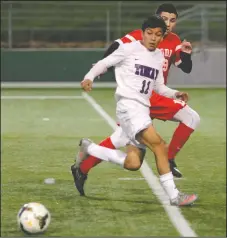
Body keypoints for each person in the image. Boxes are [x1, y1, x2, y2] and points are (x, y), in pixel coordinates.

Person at [71, 3, 200, 195]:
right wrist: (98, 69)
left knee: (128, 154)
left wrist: (185, 60)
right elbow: (115, 49)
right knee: (185, 123)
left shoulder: (171, 42)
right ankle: (170, 169)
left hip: (151, 96)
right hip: (139, 100)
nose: (167, 25)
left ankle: (84, 164)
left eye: (171, 21)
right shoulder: (137, 39)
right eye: (164, 19)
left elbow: (183, 68)